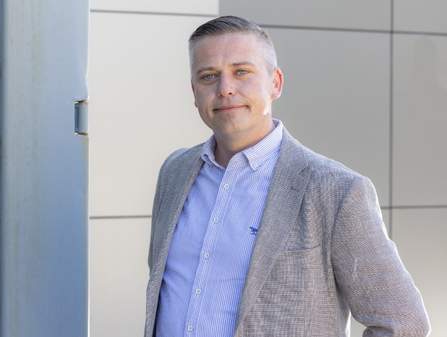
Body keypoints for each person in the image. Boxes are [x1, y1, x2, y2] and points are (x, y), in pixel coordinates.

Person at [144, 15, 430, 337]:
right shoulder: (175, 172)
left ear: (275, 83)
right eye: (209, 76)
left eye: (241, 72)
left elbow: (404, 323)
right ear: (194, 92)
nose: (225, 89)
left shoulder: (336, 192)